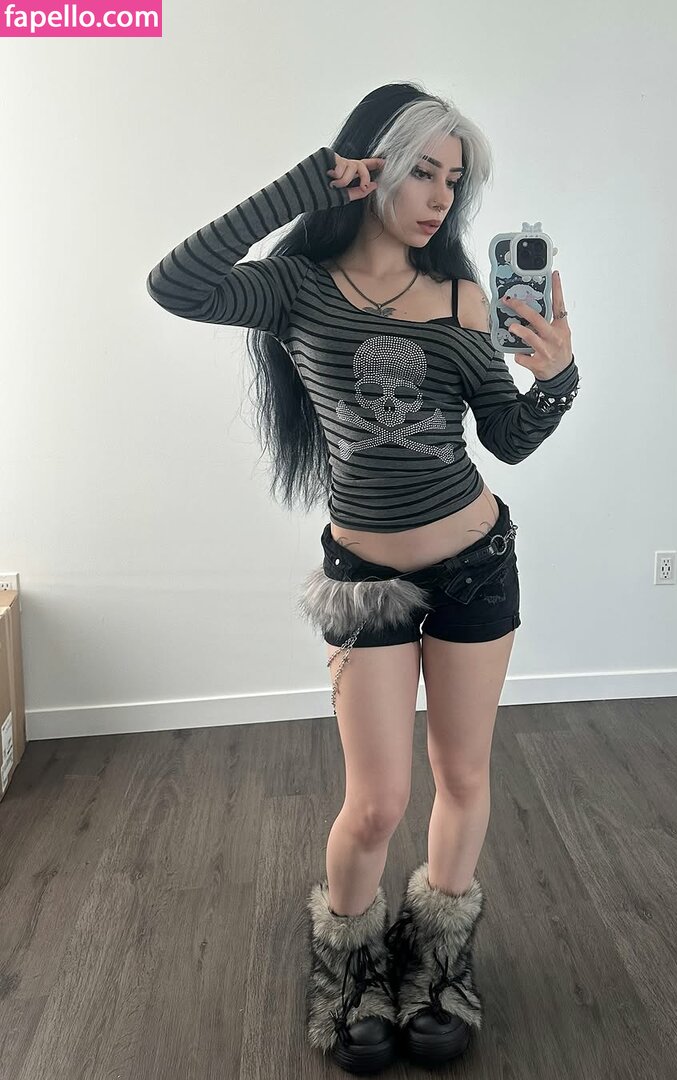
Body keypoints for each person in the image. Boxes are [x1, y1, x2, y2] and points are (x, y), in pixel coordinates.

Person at [146, 81, 580, 1074]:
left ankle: (439, 961)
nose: (440, 198)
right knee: (377, 802)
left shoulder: (467, 299)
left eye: (453, 180)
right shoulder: (296, 290)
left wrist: (555, 379)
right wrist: (308, 185)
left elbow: (506, 440)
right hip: (363, 582)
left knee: (462, 776)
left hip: (478, 565)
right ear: (369, 166)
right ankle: (348, 966)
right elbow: (179, 284)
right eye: (421, 170)